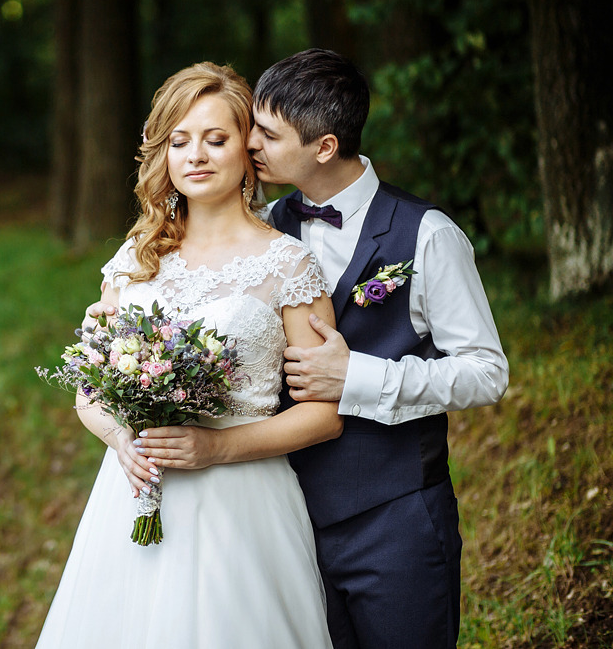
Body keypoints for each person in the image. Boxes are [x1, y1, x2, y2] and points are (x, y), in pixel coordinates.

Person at [35, 62, 342, 648]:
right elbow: (90, 391)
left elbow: (325, 415)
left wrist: (217, 446)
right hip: (135, 497)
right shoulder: (136, 258)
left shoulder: (289, 265)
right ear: (164, 155)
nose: (195, 155)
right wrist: (120, 440)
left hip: (243, 505)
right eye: (179, 141)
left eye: (215, 139)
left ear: (247, 152)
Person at [234, 48, 506, 648]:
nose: (249, 142)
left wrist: (357, 375)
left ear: (324, 146)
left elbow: (486, 372)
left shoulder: (428, 235)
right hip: (286, 515)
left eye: (268, 133)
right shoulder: (262, 228)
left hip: (397, 517)